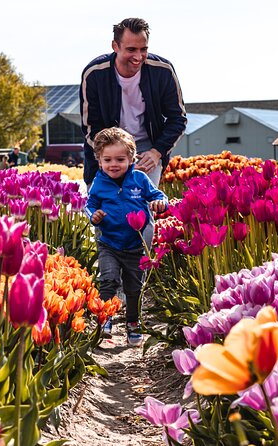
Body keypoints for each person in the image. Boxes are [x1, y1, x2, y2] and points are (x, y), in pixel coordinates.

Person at [79, 17, 186, 188]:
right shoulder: (95, 74)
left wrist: (157, 152)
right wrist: (113, 157)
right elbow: (91, 126)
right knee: (104, 210)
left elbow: (178, 119)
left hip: (147, 150)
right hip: (106, 151)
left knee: (141, 208)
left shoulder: (162, 71)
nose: (138, 56)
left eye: (143, 49)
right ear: (115, 46)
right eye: (131, 49)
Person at [84, 127, 168, 347]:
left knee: (134, 288)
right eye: (107, 159)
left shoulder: (139, 179)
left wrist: (161, 203)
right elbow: (90, 205)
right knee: (108, 280)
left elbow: (157, 195)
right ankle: (105, 318)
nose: (114, 164)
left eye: (120, 159)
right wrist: (95, 215)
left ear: (131, 158)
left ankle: (133, 322)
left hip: (136, 245)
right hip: (109, 242)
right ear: (99, 160)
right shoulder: (99, 182)